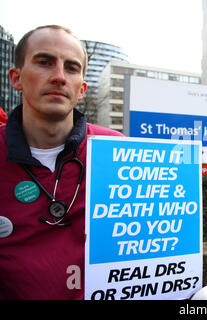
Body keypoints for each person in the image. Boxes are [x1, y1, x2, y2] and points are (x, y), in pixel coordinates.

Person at [0, 25, 123, 299]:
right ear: (16, 78)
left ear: (82, 89)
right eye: (45, 63)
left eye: (71, 67)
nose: (58, 77)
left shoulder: (117, 151)